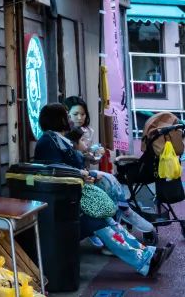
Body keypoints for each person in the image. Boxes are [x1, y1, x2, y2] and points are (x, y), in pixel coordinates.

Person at [34, 103, 171, 278]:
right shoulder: (48, 141)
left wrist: (84, 173)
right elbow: (54, 169)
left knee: (108, 222)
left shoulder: (55, 139)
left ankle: (146, 255)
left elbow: (62, 168)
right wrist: (82, 173)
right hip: (64, 205)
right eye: (66, 115)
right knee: (102, 222)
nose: (69, 118)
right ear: (58, 119)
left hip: (70, 199)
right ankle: (144, 261)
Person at [63, 95, 154, 236]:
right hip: (77, 177)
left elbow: (90, 158)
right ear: (66, 115)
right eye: (75, 114)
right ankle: (118, 220)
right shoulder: (64, 134)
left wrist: (95, 154)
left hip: (85, 172)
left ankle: (121, 216)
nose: (80, 118)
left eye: (83, 114)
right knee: (108, 182)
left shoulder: (87, 131)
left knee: (111, 180)